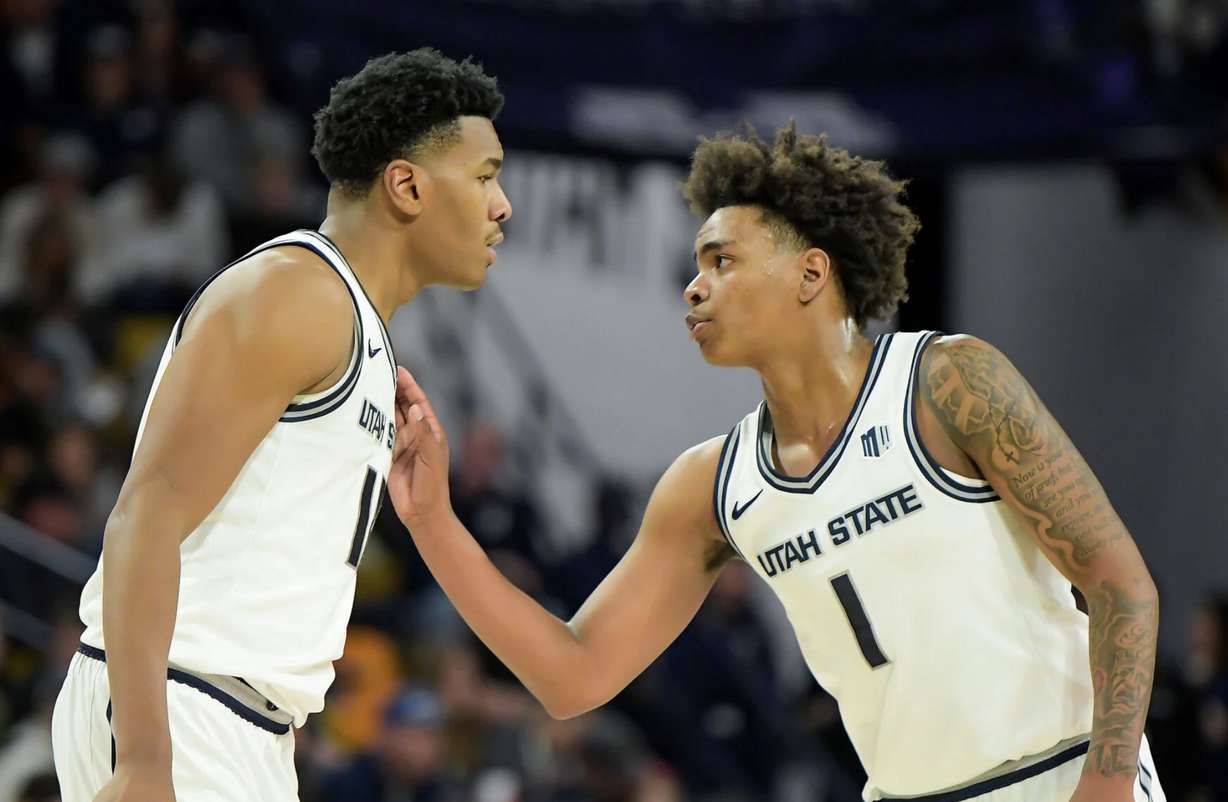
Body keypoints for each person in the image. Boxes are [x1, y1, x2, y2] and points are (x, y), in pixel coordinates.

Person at [390, 125, 1165, 802]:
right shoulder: (712, 485)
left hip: (1066, 775)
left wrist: (1109, 779)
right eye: (695, 265)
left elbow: (1119, 582)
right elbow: (572, 677)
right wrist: (433, 523)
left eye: (721, 260)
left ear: (811, 274)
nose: (693, 286)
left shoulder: (946, 382)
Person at [50, 48, 511, 802]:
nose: (502, 206)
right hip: (178, 705)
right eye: (486, 176)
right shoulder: (299, 293)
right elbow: (146, 512)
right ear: (406, 185)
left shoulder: (352, 324)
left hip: (238, 724)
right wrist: (143, 761)